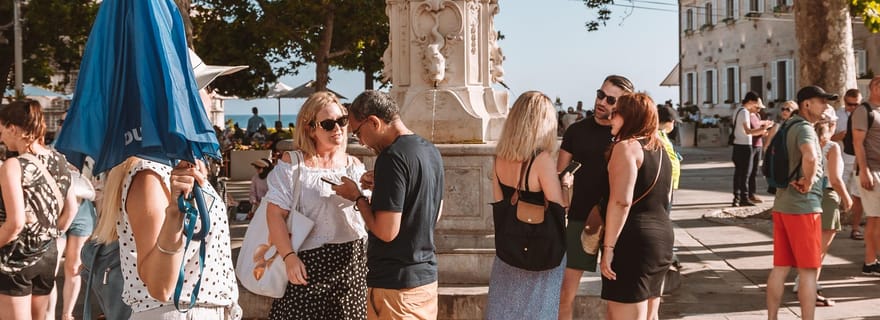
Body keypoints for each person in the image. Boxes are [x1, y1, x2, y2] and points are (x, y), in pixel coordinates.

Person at [331, 90, 444, 320]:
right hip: (425, 280)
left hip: (395, 285)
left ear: (373, 122)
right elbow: (435, 211)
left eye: (358, 132)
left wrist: (358, 198)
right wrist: (384, 189)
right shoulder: (429, 149)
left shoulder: (391, 157)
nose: (360, 142)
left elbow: (386, 231)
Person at [92, 157, 241, 319]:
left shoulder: (176, 167)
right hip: (179, 311)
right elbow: (160, 286)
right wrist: (175, 213)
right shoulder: (149, 175)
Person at [263, 91, 368, 319]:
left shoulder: (355, 166)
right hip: (307, 263)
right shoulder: (293, 164)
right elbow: (274, 215)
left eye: (342, 121)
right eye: (328, 124)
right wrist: (289, 257)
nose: (338, 129)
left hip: (352, 263)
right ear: (311, 129)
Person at [557, 75, 634, 320]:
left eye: (610, 99)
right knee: (564, 294)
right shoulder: (576, 130)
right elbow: (560, 174)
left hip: (618, 223)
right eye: (600, 94)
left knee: (619, 296)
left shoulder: (626, 136)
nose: (602, 101)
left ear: (622, 105)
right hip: (580, 220)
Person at [485, 91, 566, 319]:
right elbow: (559, 209)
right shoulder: (541, 161)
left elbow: (500, 204)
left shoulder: (499, 158)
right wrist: (566, 185)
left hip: (509, 254)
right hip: (542, 253)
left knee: (506, 310)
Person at [0, 100, 77, 320]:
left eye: (2, 131)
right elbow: (71, 210)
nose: (1, 138)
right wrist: (46, 237)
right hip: (47, 254)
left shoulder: (13, 166)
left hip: (15, 258)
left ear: (13, 128)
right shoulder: (60, 160)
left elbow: (14, 224)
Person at [599, 93, 673, 320]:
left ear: (629, 117)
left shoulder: (626, 148)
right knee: (650, 315)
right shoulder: (661, 150)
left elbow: (621, 201)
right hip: (661, 238)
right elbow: (666, 197)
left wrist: (609, 248)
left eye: (615, 113)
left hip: (632, 241)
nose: (610, 118)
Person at [766, 85, 836, 320]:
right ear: (807, 104)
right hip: (804, 209)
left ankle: (772, 317)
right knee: (808, 271)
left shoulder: (786, 125)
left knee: (780, 268)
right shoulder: (805, 129)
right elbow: (811, 155)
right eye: (822, 101)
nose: (826, 106)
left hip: (782, 205)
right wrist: (807, 180)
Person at [810, 106, 853, 306]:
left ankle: (803, 282)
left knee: (810, 244)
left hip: (807, 196)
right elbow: (835, 179)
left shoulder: (807, 143)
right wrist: (846, 197)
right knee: (820, 248)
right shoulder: (832, 147)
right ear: (832, 124)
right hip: (827, 196)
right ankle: (811, 288)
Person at [831, 89, 866, 241]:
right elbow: (824, 137)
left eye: (855, 104)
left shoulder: (866, 115)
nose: (852, 107)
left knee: (858, 196)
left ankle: (855, 228)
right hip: (841, 161)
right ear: (844, 100)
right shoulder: (836, 115)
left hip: (859, 161)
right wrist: (836, 136)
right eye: (849, 104)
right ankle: (831, 227)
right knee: (835, 195)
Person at [854, 77, 880, 276]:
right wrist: (864, 170)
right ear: (871, 88)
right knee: (875, 218)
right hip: (871, 170)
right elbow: (858, 143)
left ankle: (872, 261)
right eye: (878, 85)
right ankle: (870, 262)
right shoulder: (864, 110)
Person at [732, 92, 772, 207]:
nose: (756, 106)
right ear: (750, 101)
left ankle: (737, 197)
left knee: (739, 173)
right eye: (755, 103)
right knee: (745, 173)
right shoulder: (744, 112)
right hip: (745, 144)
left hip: (737, 144)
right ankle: (744, 198)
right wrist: (763, 129)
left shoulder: (737, 110)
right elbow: (748, 131)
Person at [747, 99, 773, 203]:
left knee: (755, 171)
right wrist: (763, 129)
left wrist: (764, 132)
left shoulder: (757, 116)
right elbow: (749, 131)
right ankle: (748, 193)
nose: (758, 110)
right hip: (751, 145)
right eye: (757, 108)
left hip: (758, 144)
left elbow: (759, 130)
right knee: (749, 171)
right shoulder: (746, 116)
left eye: (759, 108)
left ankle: (752, 193)